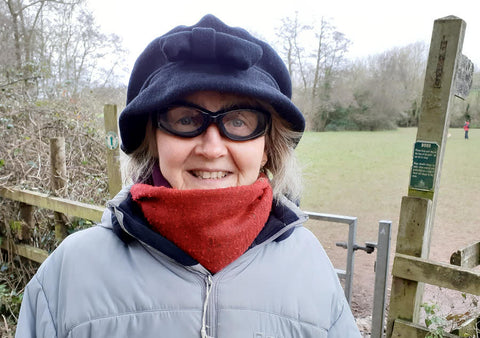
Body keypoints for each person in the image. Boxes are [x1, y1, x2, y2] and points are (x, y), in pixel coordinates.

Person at [15, 14, 361, 337]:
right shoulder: (71, 272)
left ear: (268, 147)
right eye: (185, 120)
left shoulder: (310, 268)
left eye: (239, 122)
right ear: (153, 140)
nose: (212, 148)